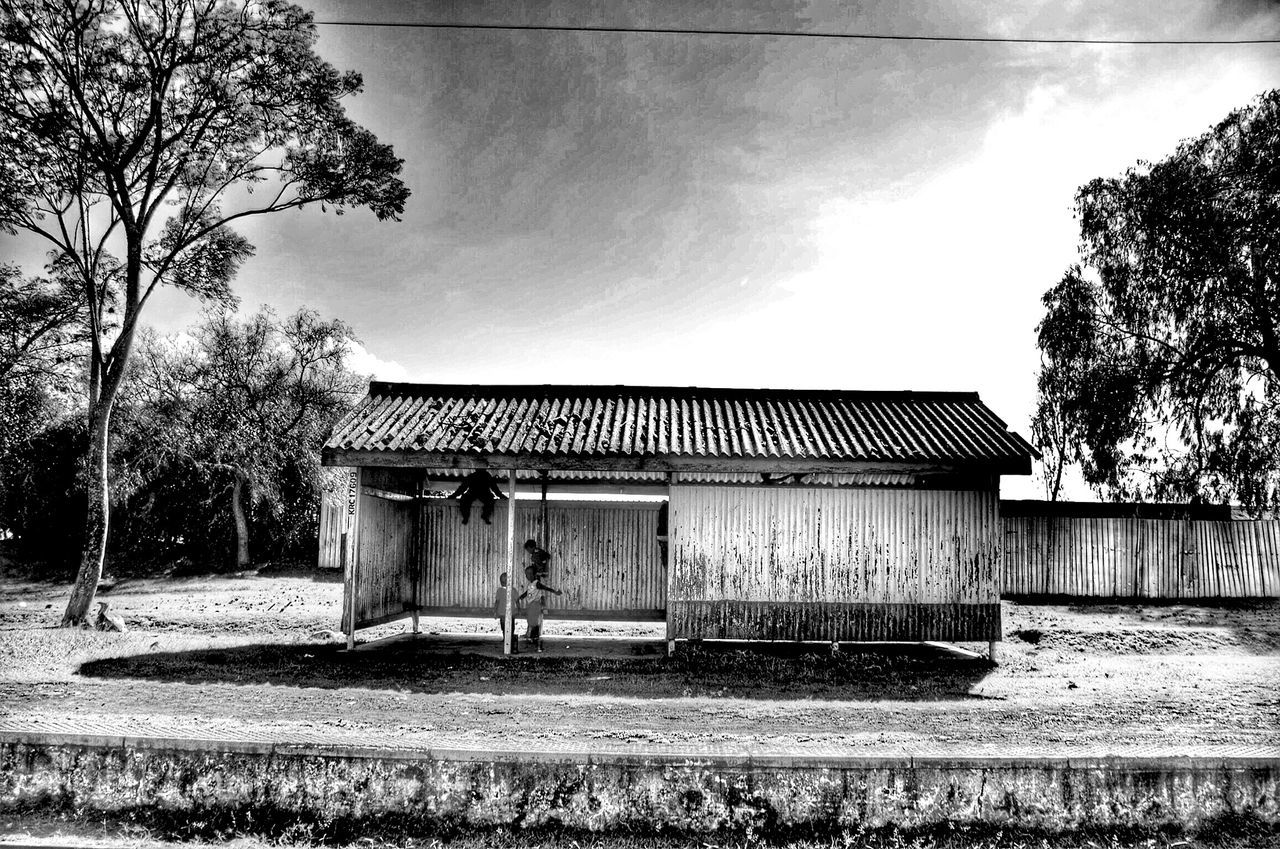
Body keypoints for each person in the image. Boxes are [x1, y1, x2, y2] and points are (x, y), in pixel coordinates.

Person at [518, 539, 562, 651]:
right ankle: (530, 636)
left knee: (533, 621)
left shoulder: (536, 581)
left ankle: (534, 638)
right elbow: (528, 592)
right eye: (526, 574)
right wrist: (521, 597)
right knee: (530, 620)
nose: (527, 576)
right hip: (531, 604)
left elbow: (545, 588)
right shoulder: (532, 583)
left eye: (528, 574)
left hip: (535, 604)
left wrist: (555, 592)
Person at [492, 571, 518, 653]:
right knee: (510, 626)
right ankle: (508, 638)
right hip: (510, 613)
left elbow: (497, 602)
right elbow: (517, 601)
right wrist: (519, 608)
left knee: (504, 626)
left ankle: (506, 638)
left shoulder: (500, 590)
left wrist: (495, 611)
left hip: (503, 613)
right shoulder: (513, 590)